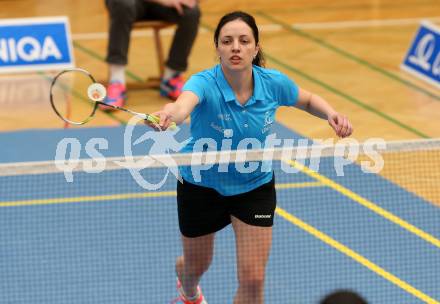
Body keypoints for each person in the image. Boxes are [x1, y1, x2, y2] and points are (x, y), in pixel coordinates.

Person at [149, 11, 353, 304]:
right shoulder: (204, 82)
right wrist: (168, 114)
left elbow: (306, 99)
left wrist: (331, 113)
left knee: (254, 279)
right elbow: (182, 106)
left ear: (255, 48)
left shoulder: (272, 83)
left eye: (244, 41)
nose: (236, 47)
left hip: (253, 185)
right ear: (217, 47)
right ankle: (189, 290)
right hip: (201, 183)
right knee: (196, 266)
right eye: (227, 41)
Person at [103, 0, 200, 106]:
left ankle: (171, 78)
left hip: (160, 6)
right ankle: (116, 81)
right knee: (122, 4)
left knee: (191, 12)